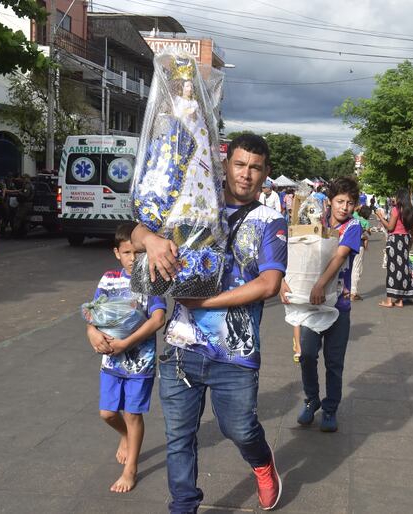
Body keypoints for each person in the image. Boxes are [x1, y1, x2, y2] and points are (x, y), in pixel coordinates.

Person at [132, 134, 285, 512]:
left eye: (255, 167)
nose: (246, 174)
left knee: (240, 428)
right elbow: (133, 231)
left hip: (235, 353)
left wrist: (206, 301)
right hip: (182, 348)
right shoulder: (195, 205)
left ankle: (262, 463)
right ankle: (183, 506)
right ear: (226, 165)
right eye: (239, 164)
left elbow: (269, 284)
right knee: (179, 436)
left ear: (265, 174)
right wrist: (150, 239)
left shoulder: (270, 221)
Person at [87, 224, 167, 493]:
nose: (133, 258)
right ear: (117, 253)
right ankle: (125, 436)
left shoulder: (152, 279)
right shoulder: (108, 279)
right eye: (127, 252)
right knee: (107, 413)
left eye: (138, 253)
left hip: (140, 362)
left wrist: (127, 343)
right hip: (111, 360)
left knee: (132, 414)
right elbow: (93, 313)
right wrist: (91, 332)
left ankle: (130, 468)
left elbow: (158, 318)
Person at [281, 176, 361, 433]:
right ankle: (311, 399)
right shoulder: (312, 222)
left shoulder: (352, 228)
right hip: (309, 306)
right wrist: (282, 280)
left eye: (350, 202)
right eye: (340, 201)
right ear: (329, 201)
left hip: (338, 306)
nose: (344, 207)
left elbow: (339, 257)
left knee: (334, 362)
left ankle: (329, 409)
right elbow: (290, 250)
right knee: (306, 355)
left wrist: (320, 285)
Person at [376, 188, 413, 307]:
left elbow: (390, 227)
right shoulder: (412, 211)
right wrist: (409, 245)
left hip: (395, 241)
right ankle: (400, 300)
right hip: (405, 240)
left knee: (392, 268)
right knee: (403, 269)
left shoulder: (396, 210)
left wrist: (380, 217)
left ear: (400, 198)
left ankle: (389, 301)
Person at [350, 205, 371, 301]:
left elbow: (354, 209)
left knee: (350, 267)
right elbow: (368, 233)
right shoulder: (366, 222)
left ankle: (348, 290)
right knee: (357, 268)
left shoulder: (354, 216)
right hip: (359, 245)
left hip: (350, 244)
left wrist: (359, 207)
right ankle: (353, 293)